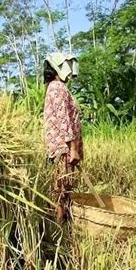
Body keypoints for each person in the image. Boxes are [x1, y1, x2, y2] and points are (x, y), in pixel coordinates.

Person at [43, 52, 83, 221]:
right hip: (64, 148)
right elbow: (64, 121)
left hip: (61, 147)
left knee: (63, 187)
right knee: (61, 188)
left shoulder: (54, 87)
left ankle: (62, 226)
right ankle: (60, 227)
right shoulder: (58, 88)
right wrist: (73, 149)